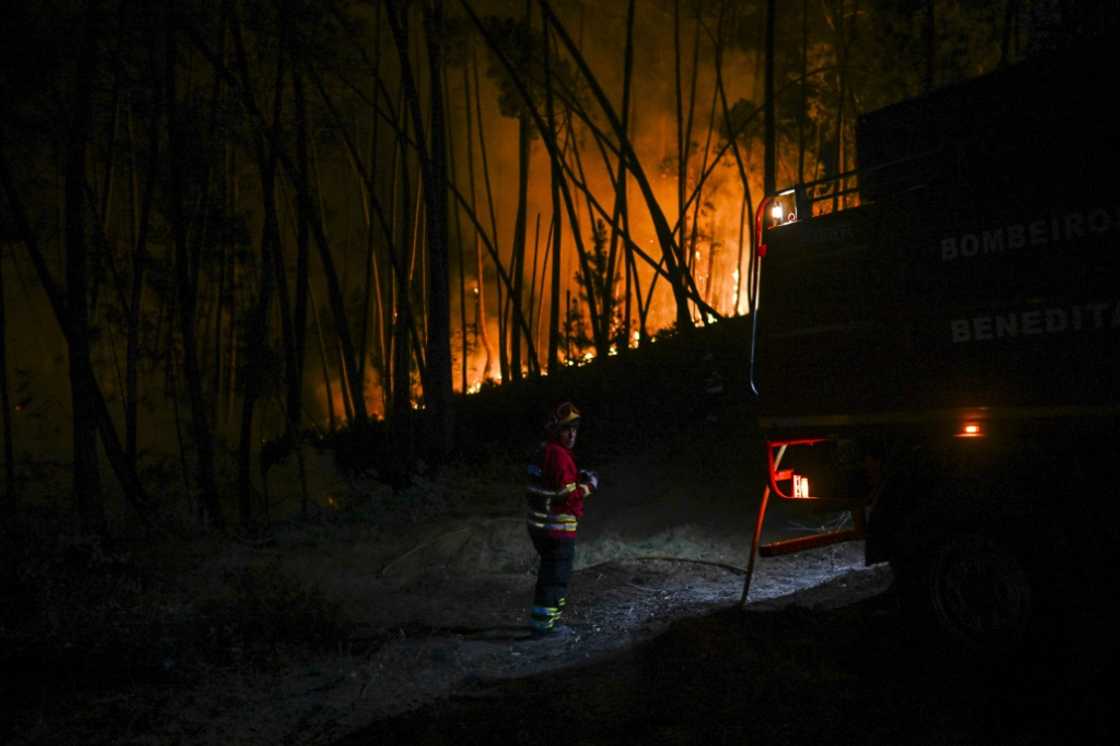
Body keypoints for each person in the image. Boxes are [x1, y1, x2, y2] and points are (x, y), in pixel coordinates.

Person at [526, 401, 598, 637]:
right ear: (555, 430)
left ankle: (545, 622)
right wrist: (589, 486)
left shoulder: (544, 451)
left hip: (540, 526)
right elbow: (565, 494)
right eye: (567, 429)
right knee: (555, 577)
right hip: (556, 529)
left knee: (550, 574)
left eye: (575, 429)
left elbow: (552, 483)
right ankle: (545, 628)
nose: (572, 434)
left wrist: (577, 476)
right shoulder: (558, 456)